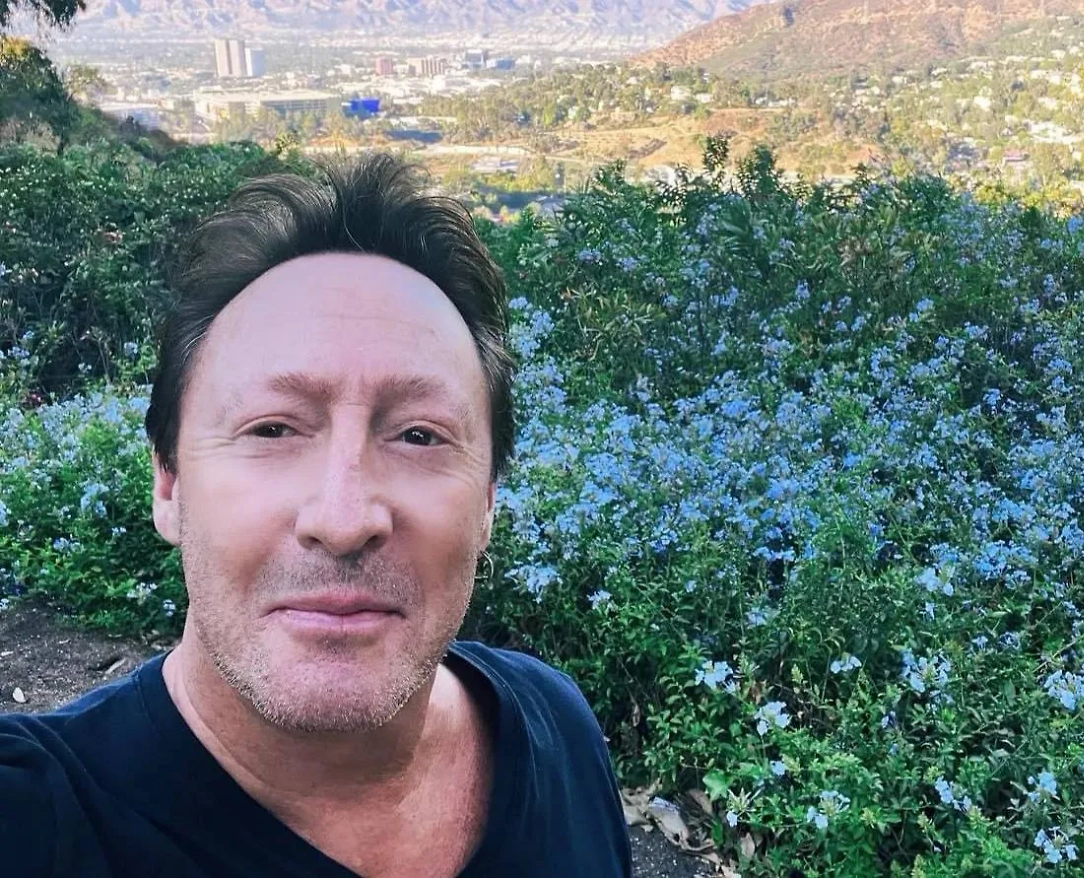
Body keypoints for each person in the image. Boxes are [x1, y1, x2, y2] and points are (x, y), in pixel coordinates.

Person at [0, 154, 633, 878]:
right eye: (272, 429)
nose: (343, 518)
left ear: (488, 500)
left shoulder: (557, 728)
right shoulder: (34, 819)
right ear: (169, 484)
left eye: (419, 436)